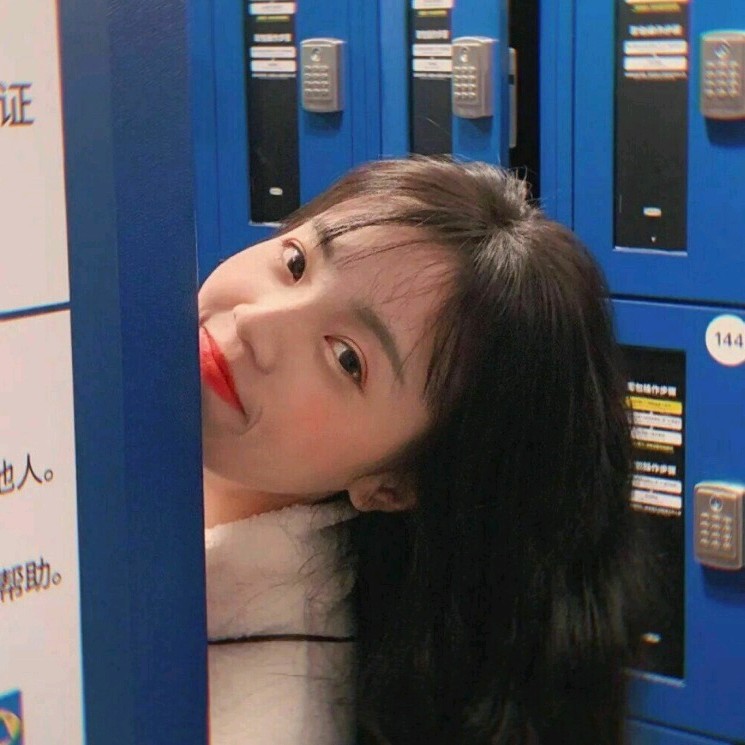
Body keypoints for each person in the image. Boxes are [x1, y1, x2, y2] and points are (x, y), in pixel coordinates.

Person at [198, 157, 646, 745]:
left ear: (392, 486)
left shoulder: (267, 721)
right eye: (296, 263)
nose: (256, 320)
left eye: (347, 359)